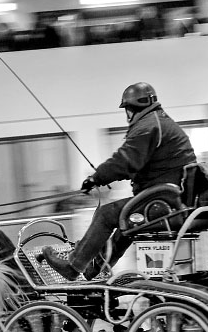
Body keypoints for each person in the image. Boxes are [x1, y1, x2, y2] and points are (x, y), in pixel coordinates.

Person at [42, 82, 197, 281]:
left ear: (130, 109)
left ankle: (73, 266)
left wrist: (96, 178)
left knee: (106, 214)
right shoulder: (158, 122)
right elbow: (139, 164)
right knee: (128, 222)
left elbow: (125, 161)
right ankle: (94, 267)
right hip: (169, 197)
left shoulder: (148, 126)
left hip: (163, 200)